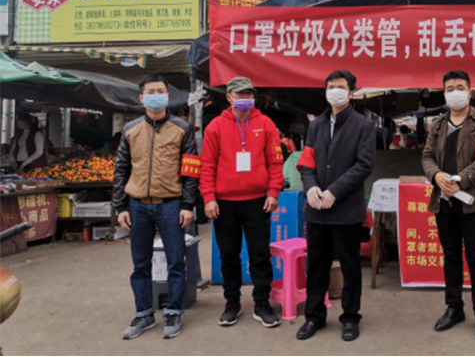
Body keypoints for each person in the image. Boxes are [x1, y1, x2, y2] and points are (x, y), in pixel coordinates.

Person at [113, 74, 199, 340]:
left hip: (171, 204)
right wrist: (120, 207)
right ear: (141, 98)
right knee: (140, 264)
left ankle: (173, 311)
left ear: (167, 96)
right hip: (137, 205)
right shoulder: (131, 130)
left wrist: (187, 204)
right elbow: (121, 169)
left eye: (160, 91)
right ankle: (143, 314)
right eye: (150, 92)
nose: (155, 96)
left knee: (175, 262)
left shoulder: (182, 128)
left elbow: (191, 170)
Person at [296, 70, 375, 342]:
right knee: (317, 266)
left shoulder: (363, 125)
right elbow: (307, 162)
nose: (335, 91)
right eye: (331, 87)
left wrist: (335, 191)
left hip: (346, 211)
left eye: (341, 87)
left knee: (350, 267)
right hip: (317, 209)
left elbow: (364, 165)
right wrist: (311, 187)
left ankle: (350, 317)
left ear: (351, 93)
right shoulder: (316, 125)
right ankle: (314, 316)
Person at [200, 77, 284, 329]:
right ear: (229, 97)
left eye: (249, 94)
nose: (246, 98)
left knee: (260, 255)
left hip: (258, 202)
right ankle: (231, 303)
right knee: (229, 256)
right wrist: (208, 197)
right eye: (240, 94)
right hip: (224, 203)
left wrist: (273, 192)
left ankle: (262, 303)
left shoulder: (265, 124)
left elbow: (275, 162)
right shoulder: (215, 127)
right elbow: (207, 166)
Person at [421, 70, 475, 342]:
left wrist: (460, 181)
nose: (455, 92)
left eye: (460, 87)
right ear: (444, 93)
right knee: (451, 256)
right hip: (444, 202)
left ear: (470, 92)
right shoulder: (437, 125)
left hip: (472, 203)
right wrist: (437, 175)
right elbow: (427, 157)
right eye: (450, 88)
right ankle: (454, 308)